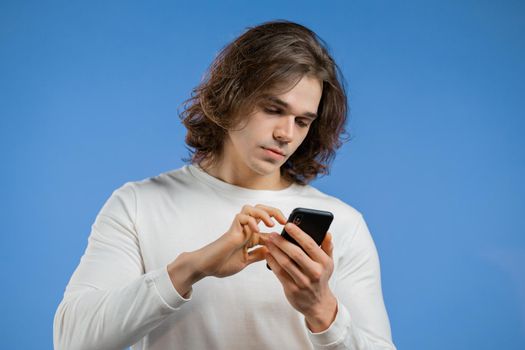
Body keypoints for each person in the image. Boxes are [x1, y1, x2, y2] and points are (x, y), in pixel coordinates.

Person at [53, 20, 396, 350]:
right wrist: (191, 268)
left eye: (302, 121)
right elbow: (72, 341)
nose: (286, 134)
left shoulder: (344, 224)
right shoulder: (139, 204)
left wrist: (321, 310)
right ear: (232, 96)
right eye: (273, 109)